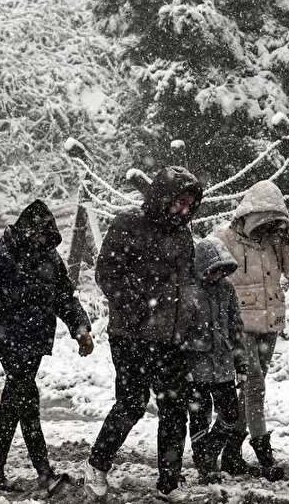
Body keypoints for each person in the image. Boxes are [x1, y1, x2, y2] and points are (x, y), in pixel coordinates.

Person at [83, 166, 204, 502]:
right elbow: (106, 274)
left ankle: (169, 483)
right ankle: (96, 467)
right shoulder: (128, 224)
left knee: (173, 406)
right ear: (163, 196)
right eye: (179, 202)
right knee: (132, 404)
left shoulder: (182, 234)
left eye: (189, 205)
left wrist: (189, 318)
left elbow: (187, 281)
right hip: (131, 334)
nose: (183, 210)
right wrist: (141, 306)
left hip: (171, 336)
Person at [0, 199, 94, 496]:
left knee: (15, 401)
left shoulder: (49, 258)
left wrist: (81, 328)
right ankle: (44, 473)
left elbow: (65, 296)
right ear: (25, 231)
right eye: (38, 237)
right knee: (27, 400)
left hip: (34, 343)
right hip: (7, 341)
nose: (42, 244)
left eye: (47, 239)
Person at [215, 180, 289, 482]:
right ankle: (262, 450)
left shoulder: (276, 242)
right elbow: (205, 273)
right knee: (254, 387)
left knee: (250, 391)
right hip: (239, 326)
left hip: (270, 325)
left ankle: (230, 452)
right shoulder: (223, 238)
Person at [183, 236, 247, 484]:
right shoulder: (189, 292)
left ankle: (209, 450)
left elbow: (236, 327)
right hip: (196, 369)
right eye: (213, 271)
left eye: (222, 271)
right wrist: (184, 365)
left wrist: (240, 362)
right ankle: (205, 465)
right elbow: (180, 333)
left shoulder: (227, 289)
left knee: (230, 414)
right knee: (199, 417)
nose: (217, 276)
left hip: (222, 366)